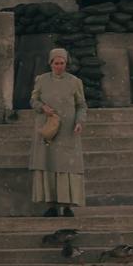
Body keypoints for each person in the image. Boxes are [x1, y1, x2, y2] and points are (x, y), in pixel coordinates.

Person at [29, 48, 87, 217]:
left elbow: (81, 105)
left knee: (67, 166)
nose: (59, 66)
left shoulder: (75, 82)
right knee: (49, 164)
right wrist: (42, 107)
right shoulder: (41, 80)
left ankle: (67, 205)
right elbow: (33, 100)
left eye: (62, 63)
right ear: (51, 64)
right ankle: (52, 205)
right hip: (48, 129)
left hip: (68, 130)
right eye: (56, 63)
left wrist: (79, 122)